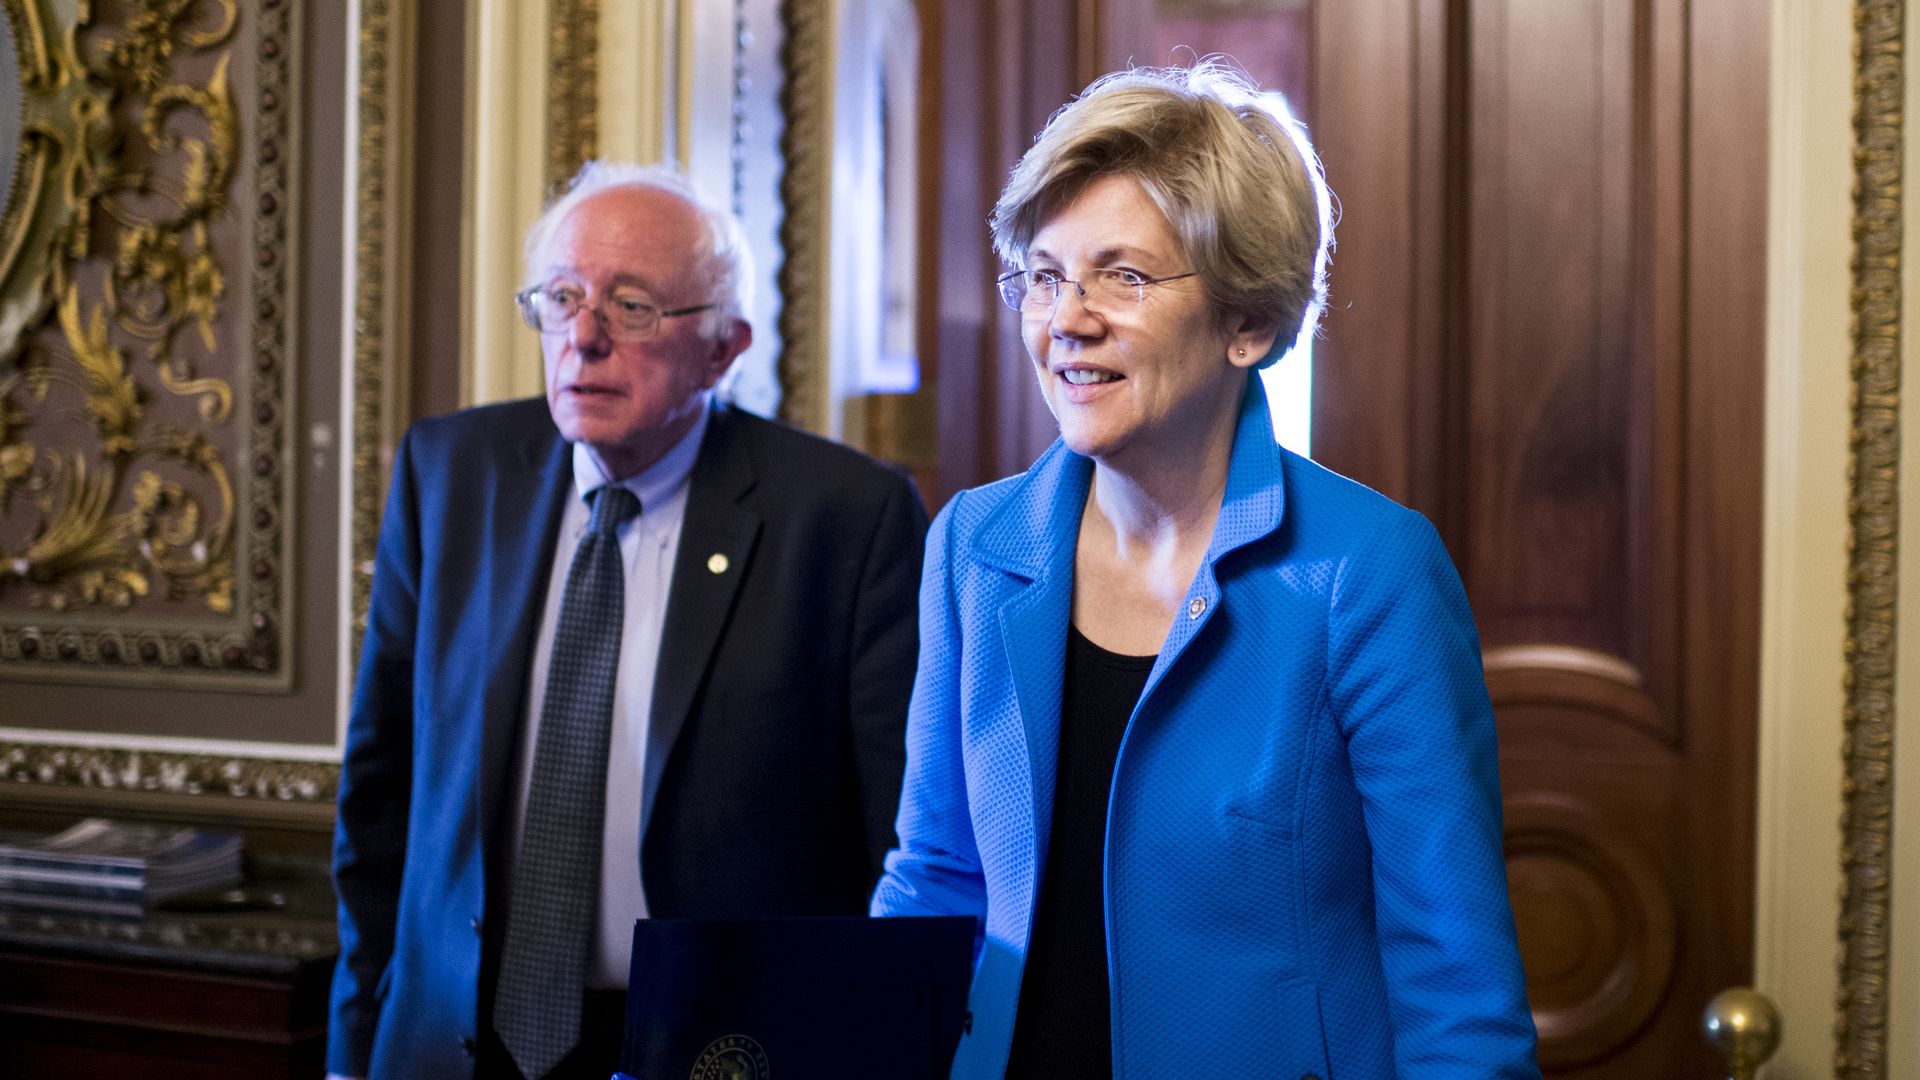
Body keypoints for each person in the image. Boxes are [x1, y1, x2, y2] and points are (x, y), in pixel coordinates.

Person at [871, 63, 1539, 1078]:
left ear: (1249, 324)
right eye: (1045, 276)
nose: (1067, 320)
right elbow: (934, 880)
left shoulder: (1371, 571)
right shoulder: (973, 542)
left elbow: (1455, 976)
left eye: (1123, 276)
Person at [328, 163, 928, 1080]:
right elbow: (383, 794)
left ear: (725, 348)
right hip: (449, 1039)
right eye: (561, 297)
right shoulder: (451, 474)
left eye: (633, 306)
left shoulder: (847, 519)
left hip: (719, 1048)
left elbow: (900, 840)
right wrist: (353, 1051)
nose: (583, 338)